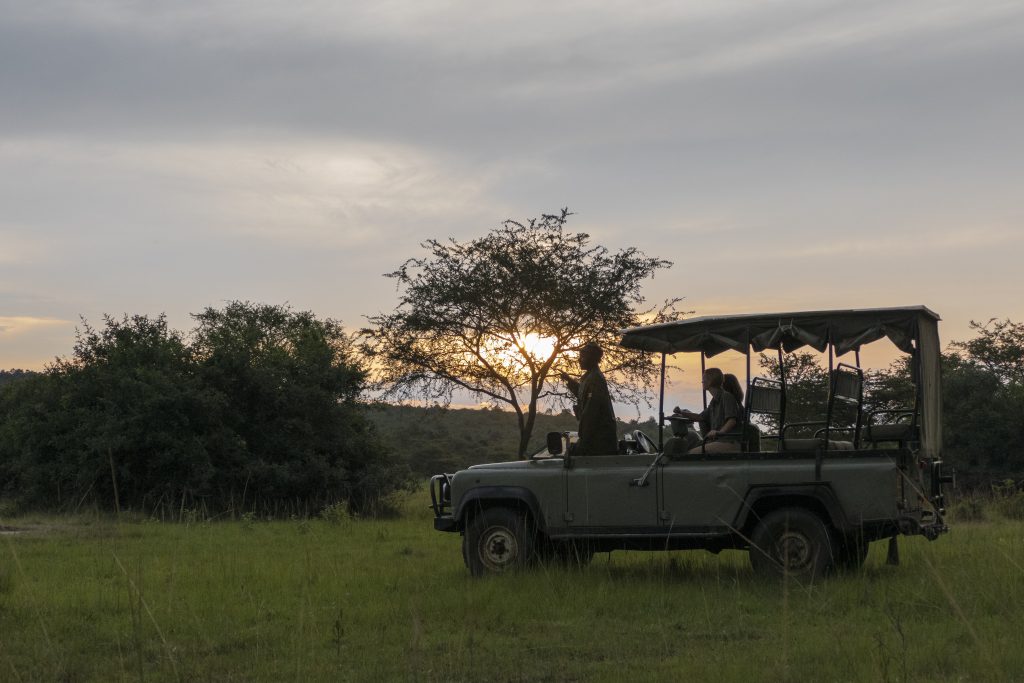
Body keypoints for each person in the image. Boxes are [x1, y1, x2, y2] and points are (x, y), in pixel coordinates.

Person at [560, 342, 619, 456]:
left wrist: (582, 443)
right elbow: (582, 392)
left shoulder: (595, 379)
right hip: (596, 440)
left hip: (599, 443)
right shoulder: (590, 376)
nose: (579, 360)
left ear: (592, 359)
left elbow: (590, 415)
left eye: (583, 357)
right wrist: (569, 380)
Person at [672, 367, 742, 454]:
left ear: (710, 381)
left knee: (690, 455)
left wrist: (719, 432)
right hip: (719, 441)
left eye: (704, 379)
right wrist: (681, 412)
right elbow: (700, 417)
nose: (702, 382)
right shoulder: (714, 401)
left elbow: (732, 420)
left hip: (729, 441)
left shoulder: (726, 397)